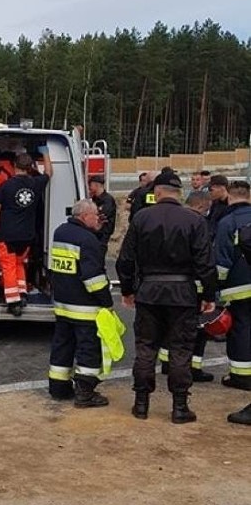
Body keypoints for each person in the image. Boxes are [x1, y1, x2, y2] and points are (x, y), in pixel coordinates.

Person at [116, 168, 217, 423]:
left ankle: (141, 403)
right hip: (182, 293)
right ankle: (180, 407)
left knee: (146, 347)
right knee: (181, 349)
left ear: (157, 192)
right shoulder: (194, 221)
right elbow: (206, 262)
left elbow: (125, 259)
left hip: (149, 292)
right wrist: (209, 293)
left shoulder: (141, 219)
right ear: (179, 193)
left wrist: (128, 290)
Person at [48, 199, 114, 406]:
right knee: (88, 350)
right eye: (96, 215)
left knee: (62, 347)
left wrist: (97, 231)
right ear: (85, 216)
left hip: (62, 304)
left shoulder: (60, 233)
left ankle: (59, 388)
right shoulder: (87, 240)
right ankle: (85, 393)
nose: (98, 218)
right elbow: (92, 278)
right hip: (85, 307)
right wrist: (107, 301)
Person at [157, 189, 215, 382]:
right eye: (206, 209)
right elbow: (204, 260)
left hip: (164, 284)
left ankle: (166, 362)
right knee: (195, 329)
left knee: (168, 325)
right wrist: (210, 292)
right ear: (200, 206)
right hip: (191, 286)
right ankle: (192, 368)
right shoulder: (198, 224)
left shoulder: (173, 221)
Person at [0, 147, 53, 316]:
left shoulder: (5, 186)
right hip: (27, 235)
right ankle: (22, 293)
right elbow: (49, 172)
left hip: (7, 235)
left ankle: (13, 302)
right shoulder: (36, 184)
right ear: (30, 166)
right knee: (19, 263)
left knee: (8, 266)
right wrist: (45, 153)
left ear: (14, 165)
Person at [214, 180, 251, 391]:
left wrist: (215, 287)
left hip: (238, 288)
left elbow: (222, 261)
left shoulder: (228, 222)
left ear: (228, 195)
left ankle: (241, 375)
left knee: (240, 329)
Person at [88, 175, 117, 255]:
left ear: (97, 185)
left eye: (91, 185)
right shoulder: (94, 199)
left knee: (99, 253)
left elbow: (102, 215)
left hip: (103, 232)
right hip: (94, 232)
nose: (89, 188)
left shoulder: (108, 200)